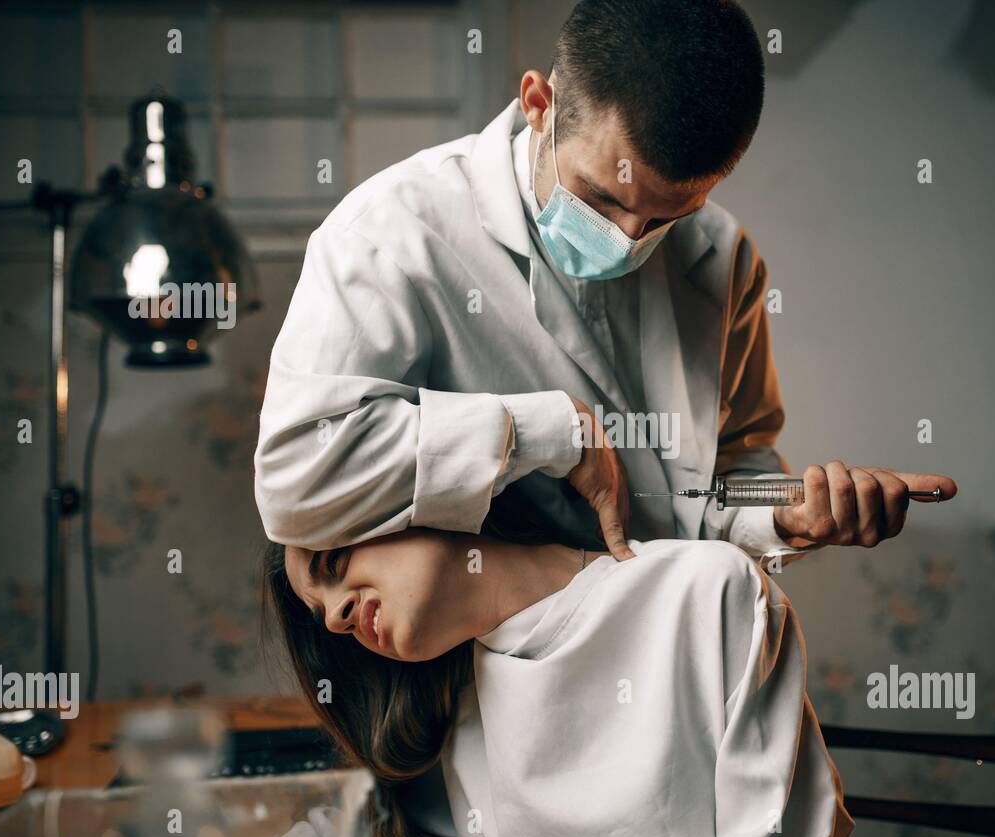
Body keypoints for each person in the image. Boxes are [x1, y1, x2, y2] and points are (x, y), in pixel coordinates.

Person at [253, 0, 956, 573]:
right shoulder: (393, 232)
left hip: (670, 632)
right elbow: (296, 478)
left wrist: (786, 515)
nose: (627, 236)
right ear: (539, 103)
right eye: (601, 198)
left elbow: (722, 479)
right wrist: (538, 432)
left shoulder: (722, 256)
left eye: (664, 215)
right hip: (491, 671)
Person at [260, 489, 854, 837]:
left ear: (424, 494)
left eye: (335, 565)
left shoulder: (704, 588)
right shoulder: (447, 709)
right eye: (320, 614)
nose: (336, 618)